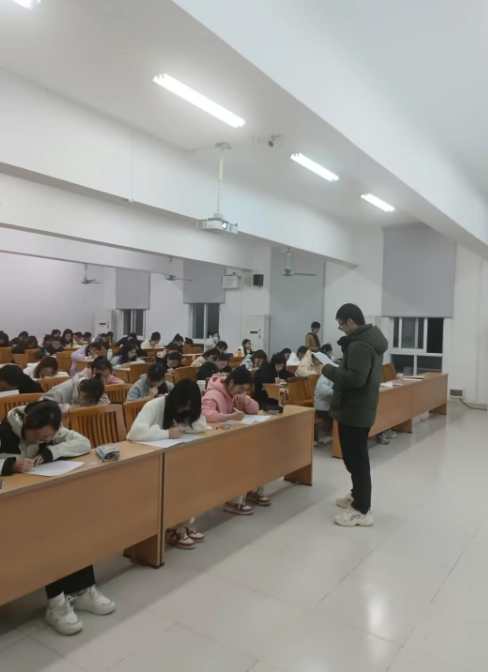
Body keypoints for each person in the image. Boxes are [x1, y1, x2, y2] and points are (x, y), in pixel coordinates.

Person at [0, 400, 114, 634]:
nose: (39, 441)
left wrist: (51, 451)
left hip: (38, 500)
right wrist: (10, 465)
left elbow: (83, 443)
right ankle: (56, 603)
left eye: (45, 438)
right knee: (46, 532)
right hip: (9, 507)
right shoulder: (4, 431)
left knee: (71, 523)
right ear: (26, 422)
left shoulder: (50, 429)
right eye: (36, 436)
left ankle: (81, 590)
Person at [321, 303, 388, 527]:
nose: (341, 329)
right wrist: (343, 365)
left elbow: (355, 379)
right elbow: (359, 372)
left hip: (354, 409)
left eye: (341, 325)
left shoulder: (359, 344)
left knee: (357, 460)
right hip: (361, 407)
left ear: (350, 321)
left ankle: (361, 509)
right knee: (354, 457)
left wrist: (328, 369)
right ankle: (357, 494)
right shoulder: (371, 340)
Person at [127, 379, 208, 549]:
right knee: (178, 483)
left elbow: (202, 426)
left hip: (174, 459)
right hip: (149, 463)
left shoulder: (186, 412)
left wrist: (185, 421)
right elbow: (135, 433)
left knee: (191, 478)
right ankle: (173, 526)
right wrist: (166, 433)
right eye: (184, 405)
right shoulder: (155, 405)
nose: (185, 409)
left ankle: (182, 522)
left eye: (189, 407)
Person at [202, 368, 270, 512]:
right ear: (232, 382)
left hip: (233, 438)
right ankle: (234, 501)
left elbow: (255, 409)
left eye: (245, 390)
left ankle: (251, 489)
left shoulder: (239, 394)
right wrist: (228, 417)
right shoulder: (213, 394)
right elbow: (205, 415)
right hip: (215, 442)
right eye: (241, 389)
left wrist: (246, 400)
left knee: (259, 451)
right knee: (241, 457)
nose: (242, 392)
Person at [43, 376, 109, 412]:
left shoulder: (94, 387)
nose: (86, 403)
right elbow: (43, 404)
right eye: (83, 398)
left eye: (90, 401)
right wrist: (67, 408)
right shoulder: (62, 389)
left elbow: (106, 403)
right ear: (80, 388)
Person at [314, 373, 334, 444]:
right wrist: (337, 391)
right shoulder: (325, 376)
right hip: (323, 407)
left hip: (331, 405)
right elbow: (322, 388)